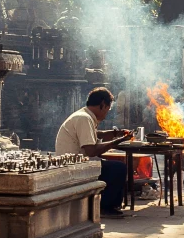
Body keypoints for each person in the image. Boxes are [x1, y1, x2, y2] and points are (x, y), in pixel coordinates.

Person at [55, 87, 132, 218]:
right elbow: (91, 151)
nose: (106, 113)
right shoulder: (84, 118)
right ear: (102, 105)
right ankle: (106, 207)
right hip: (74, 164)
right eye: (107, 109)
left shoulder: (84, 116)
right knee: (118, 168)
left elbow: (96, 134)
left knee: (114, 166)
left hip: (78, 161)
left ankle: (109, 204)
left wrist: (115, 133)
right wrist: (118, 141)